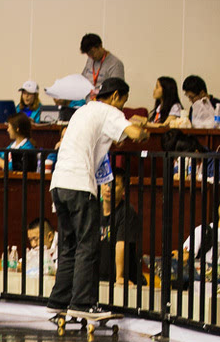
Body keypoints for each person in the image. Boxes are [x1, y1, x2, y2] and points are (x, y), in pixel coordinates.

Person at [46, 77, 149, 315]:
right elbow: (133, 134)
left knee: (69, 246)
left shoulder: (83, 111)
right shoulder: (108, 111)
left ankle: (58, 302)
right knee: (88, 246)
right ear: (115, 97)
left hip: (59, 185)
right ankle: (83, 303)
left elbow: (109, 137)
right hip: (81, 186)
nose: (122, 107)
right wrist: (143, 133)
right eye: (123, 102)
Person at [169, 192, 220, 289]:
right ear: (218, 208)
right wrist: (183, 256)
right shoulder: (204, 231)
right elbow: (185, 254)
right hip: (198, 298)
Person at [99, 177, 141, 287]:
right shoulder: (94, 208)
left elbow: (121, 245)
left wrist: (119, 276)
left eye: (114, 185)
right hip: (98, 277)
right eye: (105, 184)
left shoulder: (127, 211)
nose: (108, 188)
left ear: (123, 190)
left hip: (123, 280)